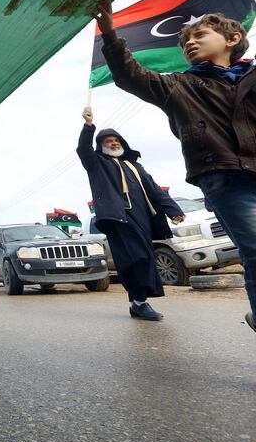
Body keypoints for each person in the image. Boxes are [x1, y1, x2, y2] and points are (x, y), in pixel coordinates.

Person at [95, 1, 256, 332]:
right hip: (226, 178)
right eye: (185, 43)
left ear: (233, 38)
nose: (190, 44)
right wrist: (110, 34)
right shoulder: (178, 86)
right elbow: (129, 75)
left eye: (200, 35)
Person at [77, 107, 185, 320]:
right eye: (108, 141)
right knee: (139, 256)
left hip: (142, 216)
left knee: (137, 258)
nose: (113, 143)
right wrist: (88, 126)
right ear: (101, 146)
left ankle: (137, 302)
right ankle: (140, 302)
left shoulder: (135, 166)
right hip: (118, 217)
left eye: (116, 140)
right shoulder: (98, 164)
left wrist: (173, 210)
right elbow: (84, 151)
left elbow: (154, 189)